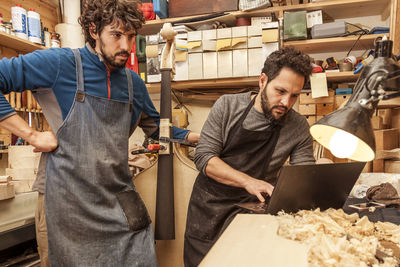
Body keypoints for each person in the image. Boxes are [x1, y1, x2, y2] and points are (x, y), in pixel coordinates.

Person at [0, 0, 199, 266]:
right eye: (116, 35)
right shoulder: (60, 64)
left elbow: (156, 129)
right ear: (94, 30)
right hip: (67, 203)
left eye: (130, 36)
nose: (126, 47)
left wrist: (195, 137)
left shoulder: (133, 84)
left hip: (117, 199)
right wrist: (31, 134)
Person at [184, 47, 316, 266]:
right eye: (280, 91)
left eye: (294, 96)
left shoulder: (298, 126)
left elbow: (304, 176)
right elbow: (204, 157)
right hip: (208, 210)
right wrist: (248, 181)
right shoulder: (227, 106)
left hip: (254, 213)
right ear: (262, 81)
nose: (286, 102)